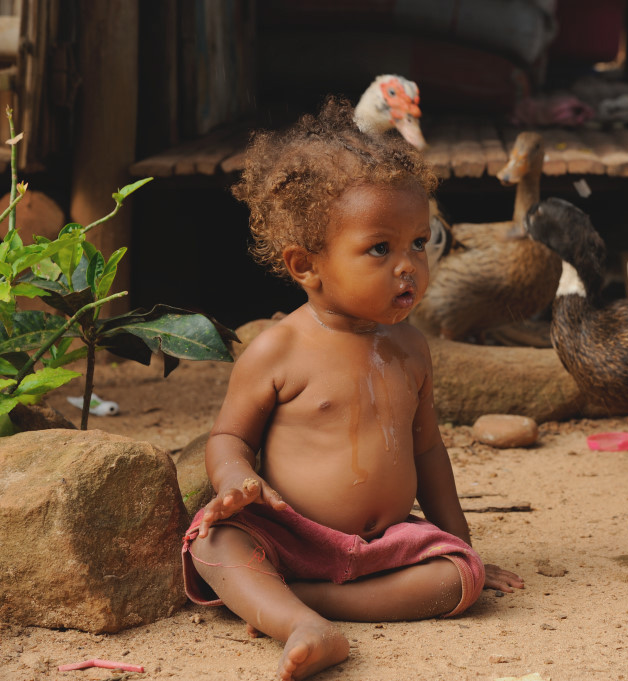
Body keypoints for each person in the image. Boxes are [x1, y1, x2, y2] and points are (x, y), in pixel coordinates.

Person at [181, 97, 524, 681]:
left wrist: (463, 544)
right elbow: (229, 436)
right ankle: (302, 625)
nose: (408, 265)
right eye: (380, 249)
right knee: (213, 545)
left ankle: (303, 605)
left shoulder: (411, 348)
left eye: (420, 242)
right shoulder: (278, 348)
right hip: (292, 537)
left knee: (459, 579)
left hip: (387, 544)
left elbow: (428, 452)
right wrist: (238, 479)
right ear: (305, 265)